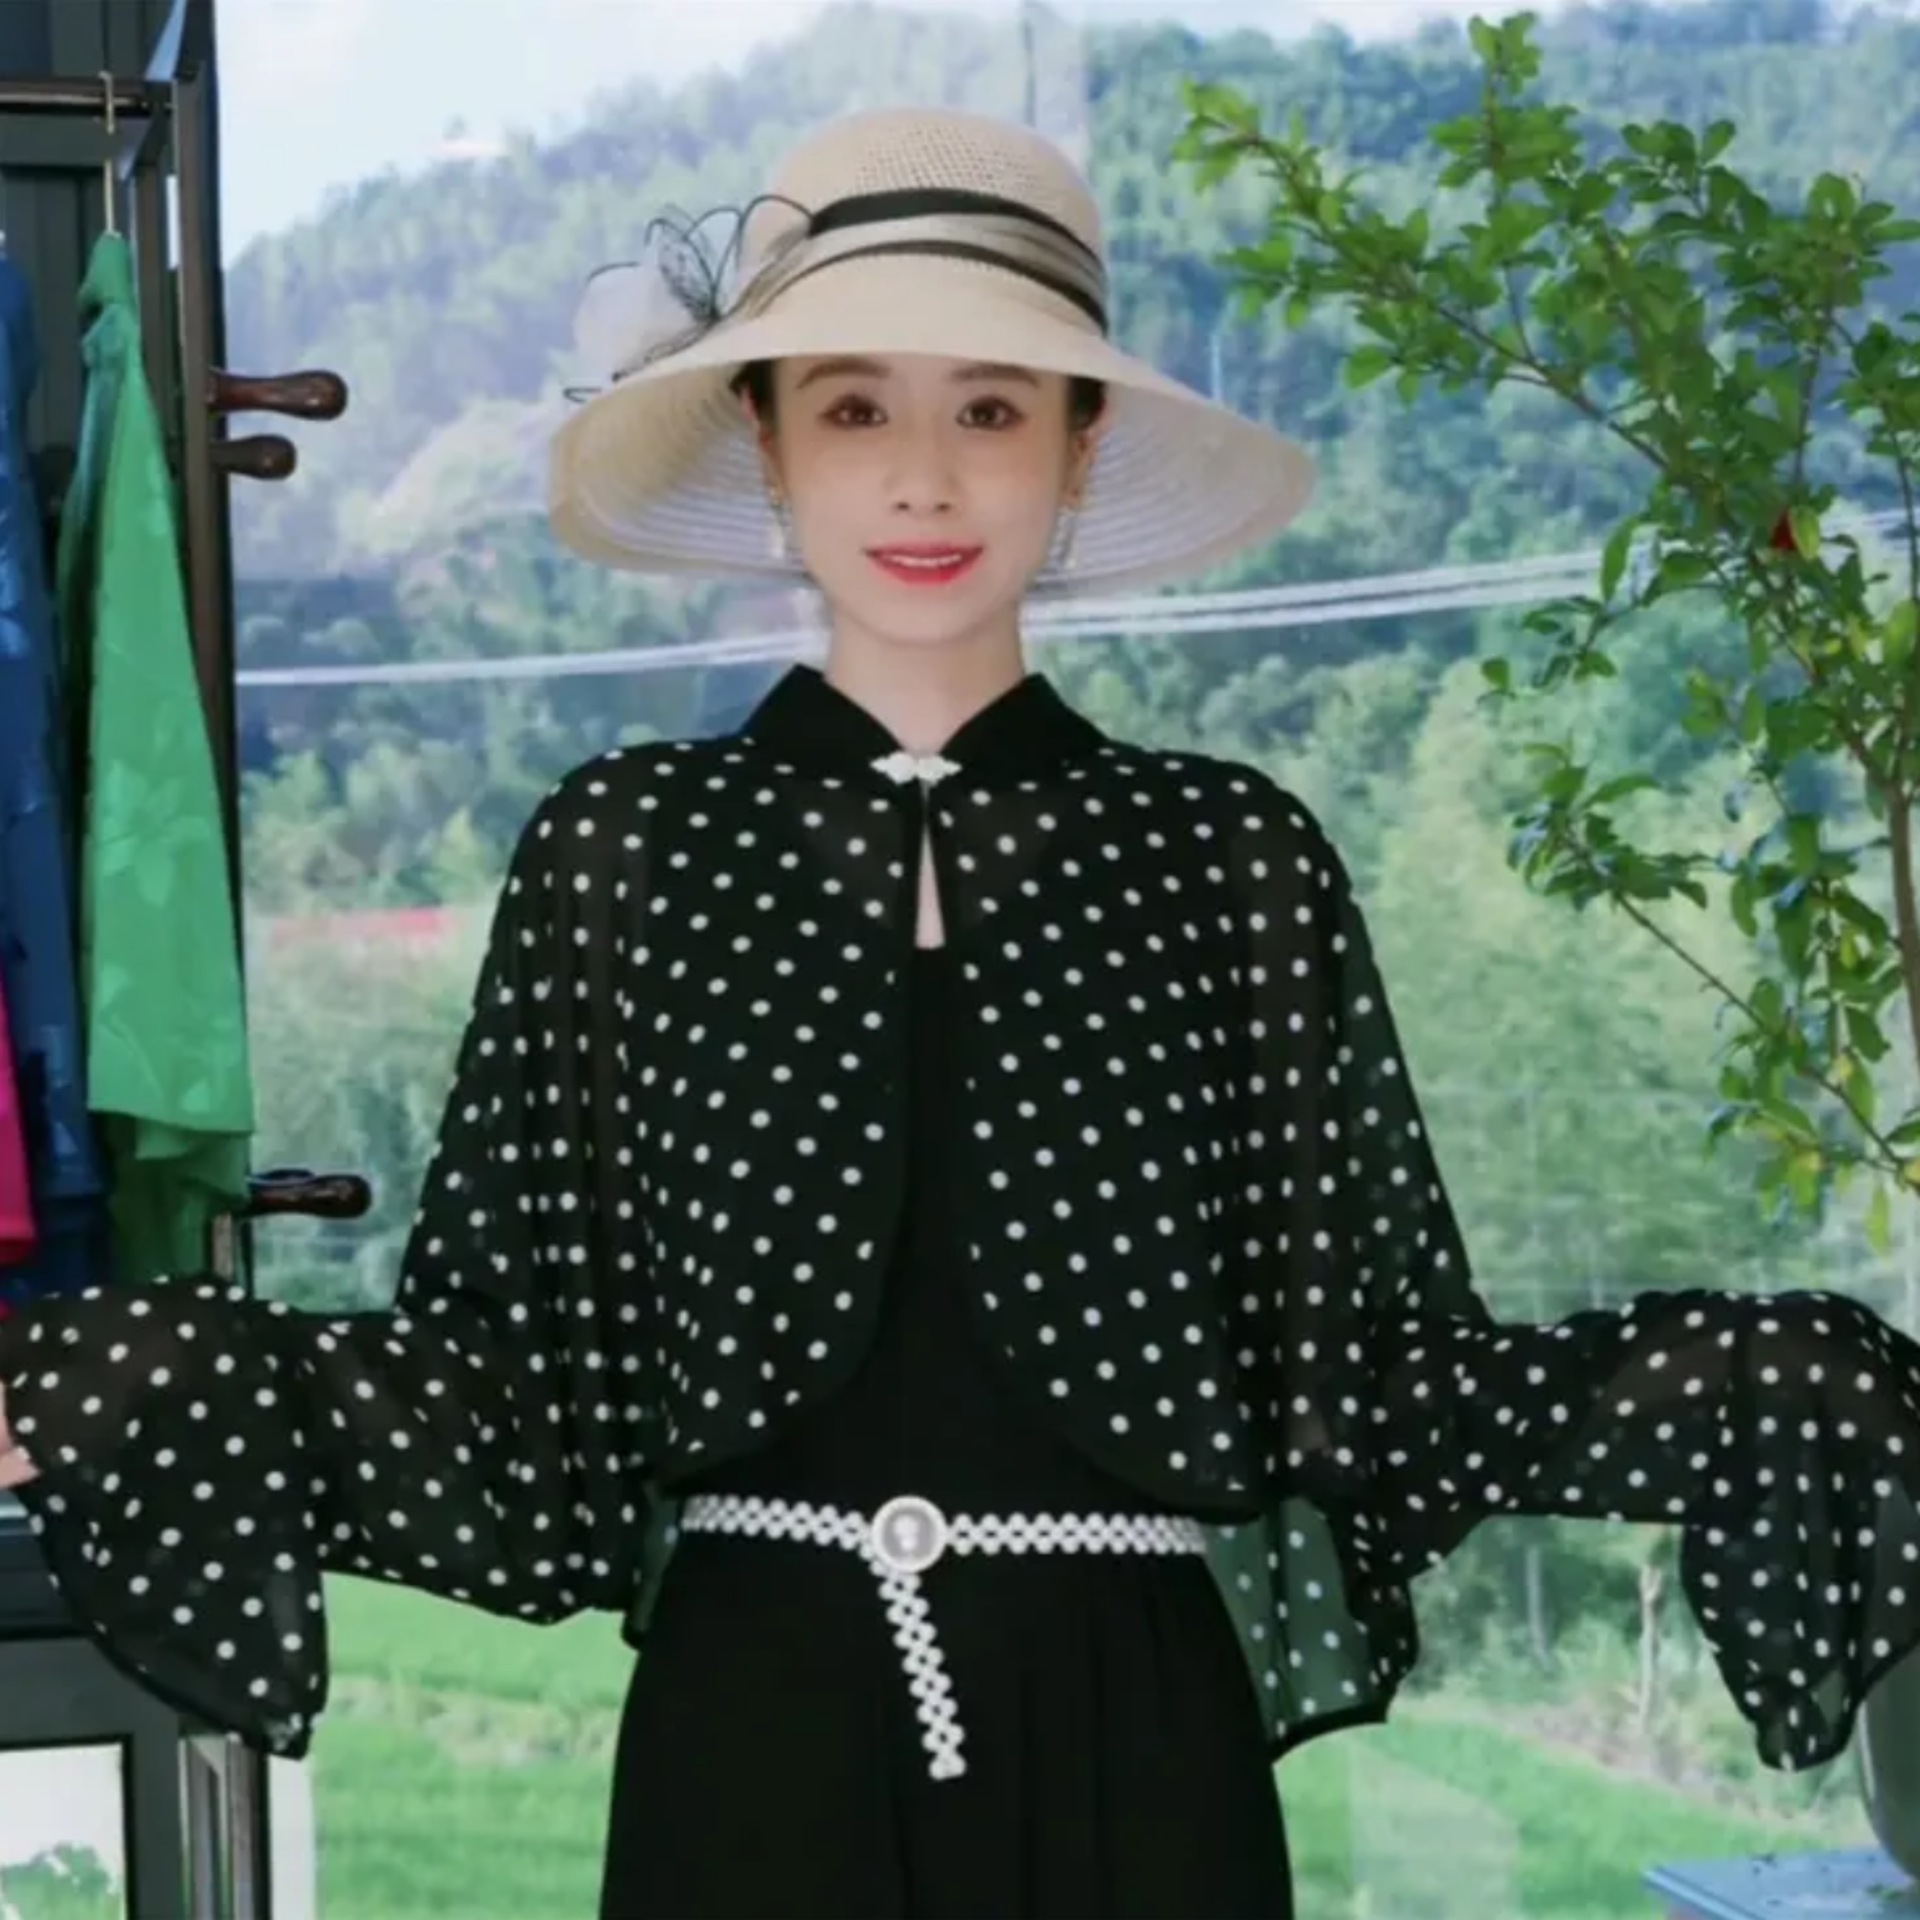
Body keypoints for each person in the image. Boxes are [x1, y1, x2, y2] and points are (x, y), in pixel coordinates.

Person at [2, 102, 1920, 1920]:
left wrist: (1767, 1372)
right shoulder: (624, 851)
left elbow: (1378, 1383)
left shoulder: (1228, 859)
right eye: (856, 407)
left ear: (1080, 445)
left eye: (991, 407)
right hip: (749, 1739)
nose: (923, 477)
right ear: (767, 439)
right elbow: (510, 1397)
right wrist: (110, 1374)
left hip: (1143, 1744)